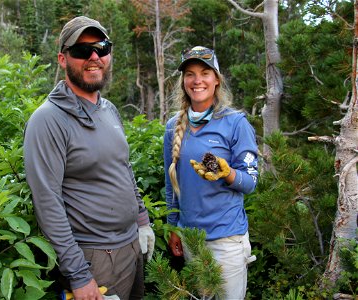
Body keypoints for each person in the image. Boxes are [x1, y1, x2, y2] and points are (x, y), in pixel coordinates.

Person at [23, 16, 155, 300]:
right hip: (95, 259)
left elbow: (123, 167)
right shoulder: (48, 120)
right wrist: (79, 274)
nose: (94, 57)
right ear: (62, 58)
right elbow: (47, 203)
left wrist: (142, 220)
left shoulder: (108, 109)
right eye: (82, 51)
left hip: (131, 246)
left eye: (102, 48)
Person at [164, 46, 259, 299]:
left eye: (205, 73)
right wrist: (173, 227)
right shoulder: (173, 126)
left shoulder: (236, 123)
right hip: (191, 239)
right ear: (183, 81)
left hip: (226, 241)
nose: (197, 81)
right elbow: (171, 182)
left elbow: (250, 182)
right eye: (190, 74)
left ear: (217, 79)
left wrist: (227, 173)